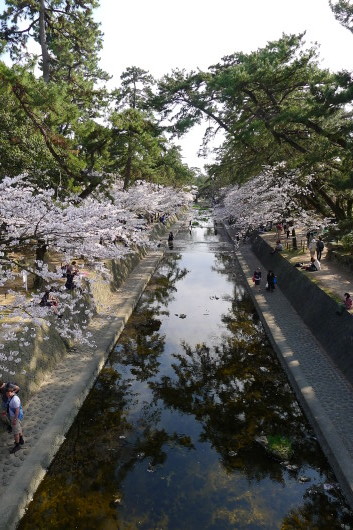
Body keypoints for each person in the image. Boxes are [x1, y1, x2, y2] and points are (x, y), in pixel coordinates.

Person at [6, 386, 24, 454]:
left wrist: (15, 419)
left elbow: (17, 410)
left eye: (7, 393)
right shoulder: (12, 396)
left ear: (11, 392)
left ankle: (17, 445)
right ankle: (21, 440)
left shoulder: (15, 399)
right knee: (18, 428)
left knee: (15, 432)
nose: (7, 395)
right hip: (14, 416)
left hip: (15, 417)